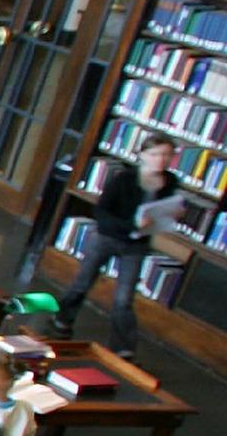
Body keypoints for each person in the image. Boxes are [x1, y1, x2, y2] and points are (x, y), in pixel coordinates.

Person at [57, 135, 181, 357]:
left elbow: (163, 209)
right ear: (142, 155)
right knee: (82, 283)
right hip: (108, 237)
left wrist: (173, 214)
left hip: (136, 243)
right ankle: (62, 319)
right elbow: (101, 212)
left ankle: (122, 348)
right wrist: (132, 224)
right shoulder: (124, 179)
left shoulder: (170, 181)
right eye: (154, 154)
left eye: (166, 155)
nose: (160, 160)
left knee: (124, 298)